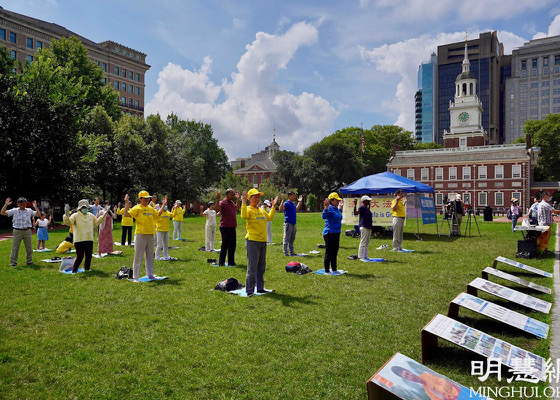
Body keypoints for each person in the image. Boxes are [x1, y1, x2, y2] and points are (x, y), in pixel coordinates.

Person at [240, 188, 278, 296]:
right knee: (252, 267)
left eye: (258, 197)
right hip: (252, 241)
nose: (257, 199)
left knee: (261, 267)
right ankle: (250, 291)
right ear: (249, 198)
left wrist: (273, 206)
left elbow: (269, 218)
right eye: (255, 197)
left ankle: (260, 288)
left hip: (262, 241)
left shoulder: (261, 210)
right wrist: (243, 203)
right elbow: (243, 216)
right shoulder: (248, 209)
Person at [124, 191, 166, 282]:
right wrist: (127, 203)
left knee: (150, 256)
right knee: (138, 256)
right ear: (140, 199)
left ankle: (150, 274)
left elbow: (158, 214)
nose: (147, 200)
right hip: (140, 235)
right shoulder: (137, 208)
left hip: (150, 234)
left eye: (148, 198)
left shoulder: (150, 208)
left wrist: (163, 205)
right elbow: (126, 214)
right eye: (144, 198)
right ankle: (135, 277)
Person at [63, 199, 107, 273]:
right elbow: (68, 222)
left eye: (86, 207)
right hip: (79, 239)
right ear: (80, 208)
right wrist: (66, 215)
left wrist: (103, 215)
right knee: (80, 256)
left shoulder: (90, 215)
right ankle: (74, 270)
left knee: (89, 256)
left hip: (89, 238)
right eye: (84, 207)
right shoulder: (75, 215)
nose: (85, 209)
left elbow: (96, 222)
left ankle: (87, 268)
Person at [2, 197, 40, 266]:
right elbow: (2, 213)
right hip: (17, 231)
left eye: (24, 204)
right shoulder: (14, 210)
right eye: (21, 204)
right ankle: (13, 262)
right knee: (15, 247)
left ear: (26, 204)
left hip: (27, 231)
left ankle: (29, 261)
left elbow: (38, 215)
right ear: (18, 204)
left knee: (29, 247)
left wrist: (36, 207)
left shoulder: (29, 210)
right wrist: (6, 205)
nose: (22, 206)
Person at [391, 366, 460, 400]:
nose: (410, 377)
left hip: (458, 393)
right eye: (406, 377)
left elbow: (446, 382)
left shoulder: (427, 375)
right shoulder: (427, 391)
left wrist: (441, 394)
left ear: (409, 371)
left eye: (407, 374)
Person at [215, 189, 240, 267]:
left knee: (232, 245)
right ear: (227, 195)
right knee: (225, 245)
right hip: (225, 227)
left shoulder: (232, 203)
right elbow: (217, 209)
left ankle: (231, 262)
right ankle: (221, 263)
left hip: (232, 227)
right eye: (232, 194)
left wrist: (238, 199)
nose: (234, 195)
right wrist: (217, 199)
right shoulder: (223, 203)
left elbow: (237, 208)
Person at [322, 192, 343, 274]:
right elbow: (324, 216)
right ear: (332, 200)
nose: (338, 201)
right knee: (329, 252)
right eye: (336, 200)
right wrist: (326, 208)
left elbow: (338, 216)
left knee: (335, 251)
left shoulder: (336, 209)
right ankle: (327, 271)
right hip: (329, 233)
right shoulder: (329, 208)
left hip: (336, 232)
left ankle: (334, 269)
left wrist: (340, 209)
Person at [279, 191, 303, 256]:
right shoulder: (286, 203)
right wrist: (282, 200)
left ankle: (292, 252)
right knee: (286, 239)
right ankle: (286, 253)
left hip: (293, 224)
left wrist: (300, 202)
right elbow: (280, 209)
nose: (294, 197)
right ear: (289, 196)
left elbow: (296, 208)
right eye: (293, 196)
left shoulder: (293, 204)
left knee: (292, 239)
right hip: (288, 224)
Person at [353, 195, 373, 259]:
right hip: (364, 226)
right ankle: (360, 256)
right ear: (364, 201)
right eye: (368, 200)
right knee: (363, 242)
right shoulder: (361, 208)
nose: (369, 201)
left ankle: (365, 256)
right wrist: (354, 205)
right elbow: (356, 213)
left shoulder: (366, 208)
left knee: (367, 242)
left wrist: (368, 206)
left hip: (369, 226)